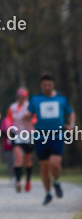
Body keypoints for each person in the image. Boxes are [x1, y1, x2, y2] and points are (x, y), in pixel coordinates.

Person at [29, 74, 75, 205]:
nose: (47, 87)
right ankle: (48, 193)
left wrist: (71, 125)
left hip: (57, 134)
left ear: (53, 85)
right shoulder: (36, 99)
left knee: (55, 163)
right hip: (41, 136)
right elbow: (29, 115)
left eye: (49, 84)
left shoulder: (61, 99)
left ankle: (57, 181)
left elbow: (70, 112)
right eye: (44, 85)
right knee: (44, 167)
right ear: (41, 86)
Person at [6, 87, 35, 192]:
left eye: (23, 97)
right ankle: (18, 181)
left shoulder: (30, 107)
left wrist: (30, 118)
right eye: (19, 97)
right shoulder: (12, 107)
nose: (21, 99)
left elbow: (35, 119)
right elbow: (9, 119)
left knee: (27, 161)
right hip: (17, 134)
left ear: (26, 97)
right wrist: (9, 128)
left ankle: (28, 180)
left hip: (29, 134)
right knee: (18, 159)